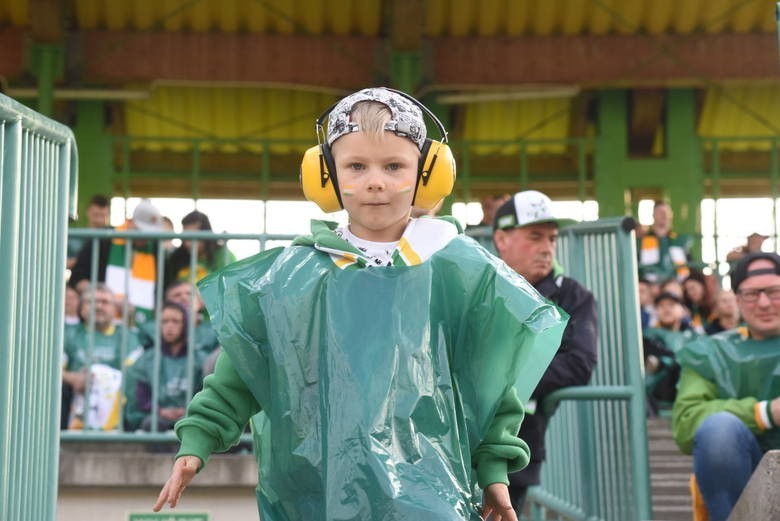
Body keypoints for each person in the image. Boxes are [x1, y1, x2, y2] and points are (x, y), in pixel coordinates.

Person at [152, 87, 568, 521]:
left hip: (432, 495)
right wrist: (197, 442)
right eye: (355, 165)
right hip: (315, 494)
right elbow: (241, 371)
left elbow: (492, 381)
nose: (375, 180)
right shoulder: (292, 276)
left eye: (393, 165)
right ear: (326, 176)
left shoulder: (459, 270)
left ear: (428, 175)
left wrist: (494, 470)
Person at [492, 190, 599, 516]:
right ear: (501, 239)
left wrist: (497, 381)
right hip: (455, 435)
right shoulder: (476, 283)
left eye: (552, 238)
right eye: (535, 236)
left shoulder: (572, 294)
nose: (547, 247)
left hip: (519, 443)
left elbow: (579, 364)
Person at [672, 252, 780, 521]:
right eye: (752, 294)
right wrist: (764, 413)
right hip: (742, 474)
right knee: (719, 429)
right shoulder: (711, 352)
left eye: (774, 291)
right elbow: (686, 421)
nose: (764, 303)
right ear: (738, 299)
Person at [70, 199, 165, 325]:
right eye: (141, 231)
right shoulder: (103, 239)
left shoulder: (156, 250)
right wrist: (108, 300)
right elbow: (78, 278)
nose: (146, 238)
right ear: (131, 223)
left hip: (142, 327)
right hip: (98, 322)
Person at [61, 283, 142, 430]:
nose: (98, 306)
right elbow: (53, 370)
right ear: (81, 307)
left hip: (117, 398)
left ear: (114, 308)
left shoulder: (128, 336)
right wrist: (72, 378)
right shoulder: (68, 334)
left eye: (104, 302)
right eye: (91, 302)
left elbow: (133, 373)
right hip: (76, 395)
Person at [125, 301, 201, 432]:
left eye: (175, 321)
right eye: (164, 322)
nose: (169, 326)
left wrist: (186, 410)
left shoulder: (200, 359)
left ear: (186, 325)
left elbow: (204, 392)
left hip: (190, 415)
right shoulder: (146, 359)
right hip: (155, 417)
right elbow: (140, 397)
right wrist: (160, 411)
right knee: (152, 424)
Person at [164, 210, 236, 289]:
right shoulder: (177, 257)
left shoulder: (223, 255)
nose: (187, 243)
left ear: (206, 235)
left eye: (193, 237)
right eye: (185, 237)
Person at [637, 200, 693, 283]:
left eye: (667, 212)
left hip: (679, 284)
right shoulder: (641, 242)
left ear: (671, 215)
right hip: (649, 285)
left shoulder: (680, 240)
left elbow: (691, 266)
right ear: (653, 215)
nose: (664, 215)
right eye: (660, 212)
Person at [67, 194, 110, 270]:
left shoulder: (112, 238)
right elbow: (64, 262)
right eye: (96, 215)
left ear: (108, 214)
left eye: (103, 216)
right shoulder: (75, 237)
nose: (99, 220)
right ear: (88, 211)